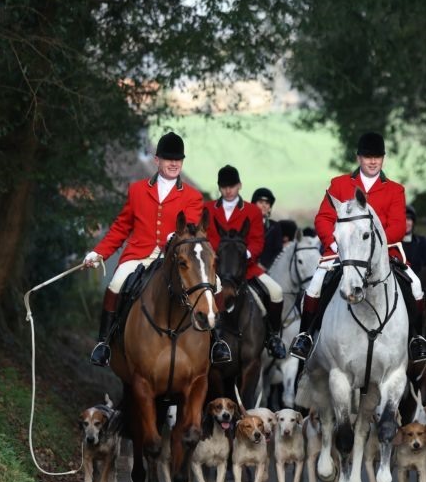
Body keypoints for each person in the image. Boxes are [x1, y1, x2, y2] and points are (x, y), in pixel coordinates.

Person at [289, 132, 426, 363]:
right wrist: (336, 243)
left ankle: (416, 339)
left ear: (383, 159)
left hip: (385, 255)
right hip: (342, 253)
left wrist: (375, 248)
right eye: (368, 157)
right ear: (359, 158)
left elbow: (397, 226)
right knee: (315, 285)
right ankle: (305, 335)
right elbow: (323, 218)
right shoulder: (340, 184)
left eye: (378, 157)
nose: (373, 161)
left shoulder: (395, 190)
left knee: (415, 285)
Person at [83, 132, 204, 367]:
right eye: (169, 158)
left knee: (213, 285)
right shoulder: (137, 190)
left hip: (175, 258)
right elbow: (121, 227)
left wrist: (177, 236)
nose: (174, 163)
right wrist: (99, 253)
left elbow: (189, 226)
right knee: (115, 284)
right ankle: (104, 344)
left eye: (178, 159)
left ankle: (216, 342)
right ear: (157, 160)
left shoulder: (192, 196)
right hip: (139, 255)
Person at [206, 166, 287, 360]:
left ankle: (273, 337)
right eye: (224, 187)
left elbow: (258, 240)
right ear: (219, 188)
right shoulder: (207, 209)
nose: (228, 190)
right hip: (215, 270)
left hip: (246, 269)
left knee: (276, 292)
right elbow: (204, 237)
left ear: (240, 186)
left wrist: (246, 254)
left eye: (232, 186)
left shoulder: (252, 210)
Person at [251, 188, 285, 272]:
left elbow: (278, 251)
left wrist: (265, 266)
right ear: (254, 204)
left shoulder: (275, 226)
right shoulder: (246, 225)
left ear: (270, 207)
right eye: (261, 202)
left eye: (267, 203)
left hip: (268, 271)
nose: (264, 205)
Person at [401, 204, 424, 272]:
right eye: (403, 219)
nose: (406, 222)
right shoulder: (393, 244)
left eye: (408, 219)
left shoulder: (422, 242)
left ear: (413, 222)